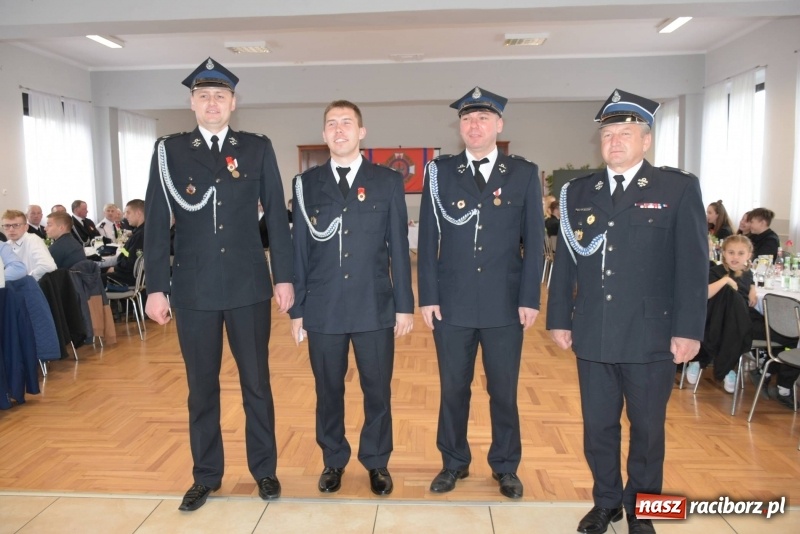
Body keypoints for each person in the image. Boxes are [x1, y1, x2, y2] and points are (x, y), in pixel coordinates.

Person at [547, 89, 707, 534]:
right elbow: (566, 263)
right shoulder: (579, 192)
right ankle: (606, 503)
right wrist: (559, 317)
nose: (615, 141)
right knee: (598, 427)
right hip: (593, 330)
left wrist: (689, 330)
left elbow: (693, 267)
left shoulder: (677, 188)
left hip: (651, 334)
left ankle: (644, 510)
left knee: (647, 430)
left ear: (646, 140)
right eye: (608, 133)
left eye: (626, 132)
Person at [144, 57, 294, 512]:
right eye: (204, 96)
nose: (213, 103)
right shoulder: (169, 152)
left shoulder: (257, 148)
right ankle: (206, 475)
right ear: (192, 103)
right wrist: (155, 286)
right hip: (193, 289)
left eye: (221, 96)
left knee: (257, 385)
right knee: (201, 387)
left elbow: (279, 220)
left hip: (248, 286)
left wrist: (283, 276)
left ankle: (264, 470)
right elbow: (154, 222)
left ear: (234, 102)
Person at [417, 87, 543, 499]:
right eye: (468, 119)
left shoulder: (523, 174)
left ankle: (505, 467)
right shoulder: (440, 172)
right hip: (451, 303)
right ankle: (453, 462)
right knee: (454, 387)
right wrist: (428, 295)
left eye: (483, 119)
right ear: (460, 127)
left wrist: (529, 298)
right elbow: (430, 236)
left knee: (503, 390)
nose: (475, 126)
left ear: (499, 125)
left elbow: (536, 242)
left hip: (505, 303)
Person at [289, 100, 414, 496]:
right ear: (324, 134)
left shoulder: (387, 181)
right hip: (324, 308)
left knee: (377, 389)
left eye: (347, 123)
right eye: (331, 123)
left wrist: (405, 305)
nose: (339, 129)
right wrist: (298, 310)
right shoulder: (306, 185)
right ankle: (333, 460)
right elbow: (300, 252)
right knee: (328, 390)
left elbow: (399, 246)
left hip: (374, 305)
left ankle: (377, 461)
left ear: (362, 132)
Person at [685, 235, 756, 392]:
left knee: (734, 325)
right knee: (729, 297)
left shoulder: (748, 274)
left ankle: (725, 366)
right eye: (731, 252)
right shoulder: (716, 271)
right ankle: (707, 363)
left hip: (734, 322)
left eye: (740, 253)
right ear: (723, 252)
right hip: (713, 318)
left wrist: (753, 288)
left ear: (749, 255)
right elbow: (705, 294)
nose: (735, 257)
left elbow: (749, 283)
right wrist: (725, 281)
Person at [1, 209, 56, 281]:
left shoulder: (32, 239)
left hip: (35, 287)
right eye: (7, 226)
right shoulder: (6, 245)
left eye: (16, 225)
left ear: (26, 227)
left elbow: (48, 266)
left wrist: (27, 278)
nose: (11, 229)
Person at [106, 199, 145, 287]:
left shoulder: (140, 235)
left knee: (92, 279)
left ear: (138, 213)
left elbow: (131, 262)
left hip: (129, 278)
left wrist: (115, 268)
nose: (125, 216)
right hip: (131, 274)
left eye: (128, 212)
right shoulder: (139, 232)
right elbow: (127, 253)